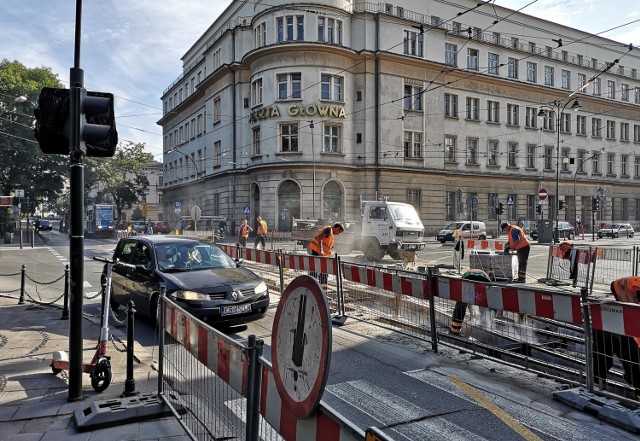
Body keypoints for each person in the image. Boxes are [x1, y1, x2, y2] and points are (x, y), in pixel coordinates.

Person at [592, 277, 640, 400]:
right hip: (622, 323)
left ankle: (597, 383)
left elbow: (614, 286)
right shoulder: (635, 285)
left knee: (604, 354)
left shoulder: (632, 283)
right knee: (632, 357)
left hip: (614, 318)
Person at [450, 269, 491, 336]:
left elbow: (469, 301)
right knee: (483, 302)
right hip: (474, 279)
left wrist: (472, 312)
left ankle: (455, 331)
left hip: (467, 278)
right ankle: (484, 326)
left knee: (462, 303)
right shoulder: (488, 284)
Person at [308, 223, 345, 287]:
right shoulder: (328, 230)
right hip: (318, 252)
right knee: (320, 271)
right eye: (339, 232)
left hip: (321, 254)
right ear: (337, 228)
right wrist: (321, 250)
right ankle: (321, 288)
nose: (338, 234)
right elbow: (319, 238)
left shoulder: (330, 232)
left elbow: (325, 242)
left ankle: (315, 286)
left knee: (319, 271)